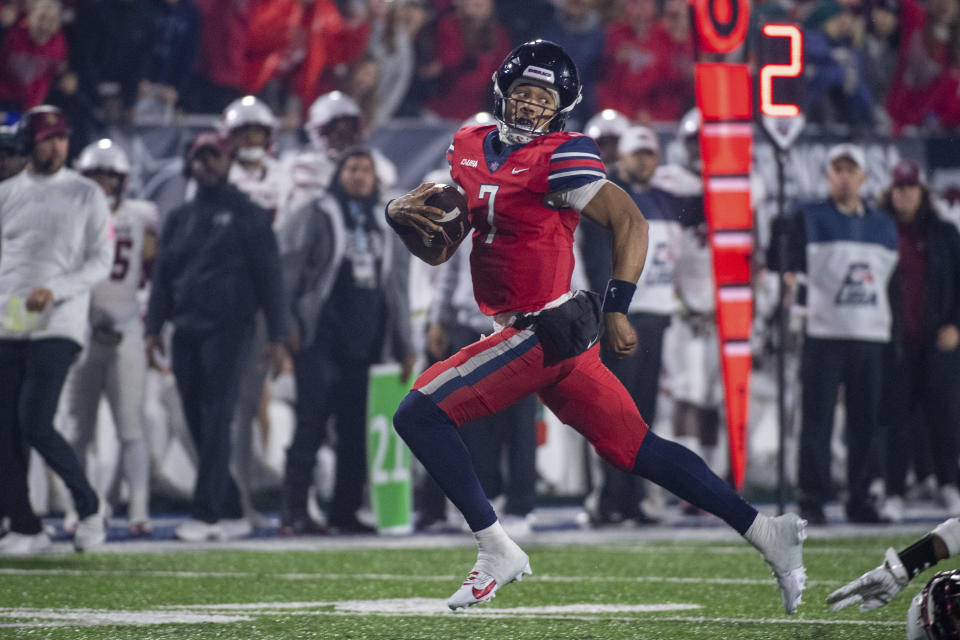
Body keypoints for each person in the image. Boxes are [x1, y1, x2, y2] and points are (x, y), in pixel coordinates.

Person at [386, 39, 806, 613]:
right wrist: (399, 215)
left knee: (419, 411)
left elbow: (630, 221)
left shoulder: (563, 153)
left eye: (544, 96)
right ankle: (766, 532)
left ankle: (495, 549)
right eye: (524, 92)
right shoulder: (467, 145)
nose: (532, 104)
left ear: (561, 105)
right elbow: (447, 241)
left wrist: (617, 306)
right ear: (504, 93)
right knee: (636, 448)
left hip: (542, 328)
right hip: (534, 332)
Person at [145, 131, 287, 542]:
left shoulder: (250, 214)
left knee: (217, 417)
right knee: (194, 418)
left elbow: (271, 279)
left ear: (228, 162)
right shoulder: (178, 217)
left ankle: (206, 515)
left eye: (214, 157)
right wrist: (153, 327)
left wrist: (277, 336)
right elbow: (163, 279)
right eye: (200, 157)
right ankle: (227, 506)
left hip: (231, 330)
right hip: (184, 328)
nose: (207, 164)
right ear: (190, 163)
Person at [278, 147, 415, 535]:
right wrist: (287, 324)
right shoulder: (317, 212)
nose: (358, 176)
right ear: (339, 174)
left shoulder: (386, 221)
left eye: (365, 170)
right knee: (311, 424)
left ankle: (345, 511)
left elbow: (397, 288)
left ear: (376, 178)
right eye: (351, 168)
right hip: (321, 336)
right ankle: (293, 512)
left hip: (367, 340)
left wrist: (404, 343)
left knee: (355, 432)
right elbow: (289, 270)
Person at [0, 105, 111, 555]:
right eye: (47, 138)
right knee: (6, 428)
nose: (57, 146)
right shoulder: (7, 194)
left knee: (35, 421)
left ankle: (88, 507)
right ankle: (26, 526)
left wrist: (57, 289)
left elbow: (99, 260)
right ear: (29, 143)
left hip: (59, 320)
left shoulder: (87, 194)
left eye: (62, 137)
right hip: (10, 318)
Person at [768, 144, 899, 525]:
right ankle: (812, 496)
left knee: (865, 421)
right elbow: (784, 262)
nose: (843, 176)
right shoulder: (808, 217)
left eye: (850, 170)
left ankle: (862, 496)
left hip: (870, 333)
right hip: (823, 332)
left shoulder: (883, 224)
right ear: (828, 176)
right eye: (836, 169)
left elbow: (891, 285)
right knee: (817, 419)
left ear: (862, 177)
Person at [579, 125, 681, 526]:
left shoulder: (667, 201)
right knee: (613, 412)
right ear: (622, 156)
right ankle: (608, 500)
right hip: (623, 317)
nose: (643, 160)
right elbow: (597, 262)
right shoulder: (609, 199)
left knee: (642, 415)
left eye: (649, 153)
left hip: (655, 317)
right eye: (636, 153)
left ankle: (636, 499)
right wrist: (608, 312)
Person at [57, 138, 157, 538]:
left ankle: (138, 510)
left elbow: (153, 268)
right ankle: (75, 509)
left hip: (126, 326)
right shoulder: (67, 216)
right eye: (95, 175)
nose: (102, 183)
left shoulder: (142, 215)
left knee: (130, 426)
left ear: (123, 179)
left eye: (109, 175)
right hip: (80, 331)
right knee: (77, 428)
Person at [217, 95, 292, 527]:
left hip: (273, 299)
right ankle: (235, 500)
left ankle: (246, 498)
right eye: (243, 132)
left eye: (256, 131)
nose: (250, 139)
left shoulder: (284, 177)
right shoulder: (219, 178)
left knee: (251, 403)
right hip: (231, 302)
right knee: (236, 407)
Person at [876, 158, 960, 523]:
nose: (905, 194)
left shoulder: (943, 233)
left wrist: (956, 323)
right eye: (899, 188)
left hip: (935, 339)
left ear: (921, 191)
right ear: (891, 191)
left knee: (944, 416)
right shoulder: (879, 229)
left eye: (910, 187)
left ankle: (949, 485)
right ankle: (894, 490)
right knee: (896, 421)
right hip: (895, 340)